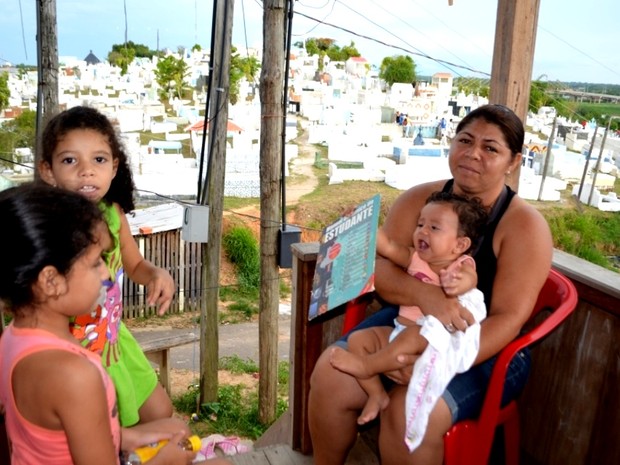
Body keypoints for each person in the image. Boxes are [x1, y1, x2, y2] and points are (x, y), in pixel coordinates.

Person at [308, 104, 553, 465]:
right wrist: (427, 295)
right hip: (412, 318)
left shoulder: (524, 227)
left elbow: (508, 319)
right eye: (465, 140)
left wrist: (437, 360)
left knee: (407, 415)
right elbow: (383, 272)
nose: (473, 154)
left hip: (486, 347)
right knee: (331, 372)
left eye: (491, 148)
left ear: (513, 161)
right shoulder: (418, 201)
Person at [0, 183, 201, 465]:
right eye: (96, 263)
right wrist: (165, 461)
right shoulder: (74, 375)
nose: (107, 273)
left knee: (177, 429)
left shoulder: (13, 338)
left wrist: (125, 438)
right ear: (51, 281)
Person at [38, 105, 175, 427]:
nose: (86, 171)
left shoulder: (113, 214)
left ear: (114, 167)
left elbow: (135, 263)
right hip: (70, 352)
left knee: (160, 413)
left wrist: (156, 273)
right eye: (70, 160)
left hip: (113, 341)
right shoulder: (48, 227)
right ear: (48, 171)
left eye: (98, 160)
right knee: (100, 432)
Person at [328, 191, 488, 433]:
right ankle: (376, 394)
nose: (422, 231)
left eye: (434, 227)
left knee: (411, 337)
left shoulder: (460, 265)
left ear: (460, 244)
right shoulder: (414, 257)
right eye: (420, 224)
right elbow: (389, 247)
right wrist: (361, 223)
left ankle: (367, 366)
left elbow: (469, 280)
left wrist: (455, 283)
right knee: (358, 339)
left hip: (430, 339)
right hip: (400, 332)